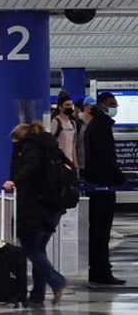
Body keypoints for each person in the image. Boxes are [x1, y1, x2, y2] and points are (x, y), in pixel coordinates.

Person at [3, 122, 68, 305]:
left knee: (30, 248)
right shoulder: (50, 146)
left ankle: (56, 281)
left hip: (33, 206)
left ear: (20, 137)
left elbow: (30, 166)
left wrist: (14, 181)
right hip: (53, 206)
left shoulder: (29, 147)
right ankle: (38, 294)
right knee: (39, 250)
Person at [83, 92, 127, 286]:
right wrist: (119, 177)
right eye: (112, 104)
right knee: (101, 230)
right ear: (102, 105)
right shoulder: (101, 127)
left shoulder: (95, 125)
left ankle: (98, 269)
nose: (115, 107)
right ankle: (101, 271)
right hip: (103, 185)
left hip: (98, 183)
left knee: (98, 230)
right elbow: (106, 157)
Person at [49, 92, 81, 170]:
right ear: (60, 107)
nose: (70, 107)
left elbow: (73, 145)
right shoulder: (55, 122)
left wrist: (75, 164)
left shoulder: (73, 123)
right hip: (59, 164)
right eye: (67, 105)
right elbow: (51, 144)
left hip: (70, 163)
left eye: (71, 105)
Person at [76, 96, 95, 174]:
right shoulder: (77, 122)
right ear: (85, 107)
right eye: (92, 106)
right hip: (81, 164)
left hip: (94, 164)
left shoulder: (96, 122)